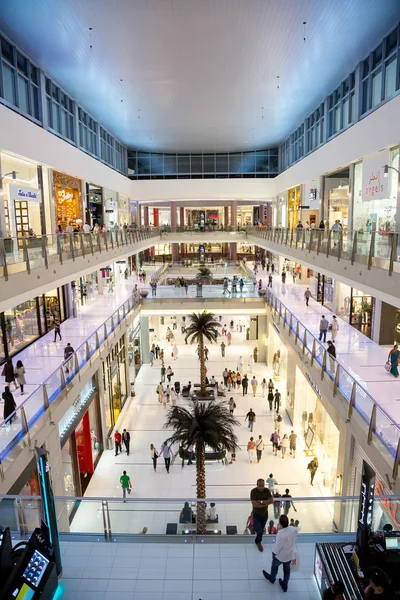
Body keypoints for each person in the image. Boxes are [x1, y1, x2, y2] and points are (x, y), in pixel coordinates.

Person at [262, 514, 297, 591]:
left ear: (280, 524)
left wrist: (274, 553)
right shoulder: (293, 529)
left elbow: (277, 547)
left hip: (280, 556)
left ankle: (272, 579)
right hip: (289, 555)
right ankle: (285, 585)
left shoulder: (280, 534)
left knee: (274, 567)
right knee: (287, 570)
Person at [250, 478, 273, 552]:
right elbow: (255, 504)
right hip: (256, 514)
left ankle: (258, 539)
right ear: (257, 485)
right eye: (259, 486)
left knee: (261, 530)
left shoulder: (267, 491)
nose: (261, 488)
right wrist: (265, 503)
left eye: (262, 486)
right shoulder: (253, 491)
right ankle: (258, 542)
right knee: (259, 530)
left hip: (264, 514)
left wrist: (261, 502)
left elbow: (271, 501)